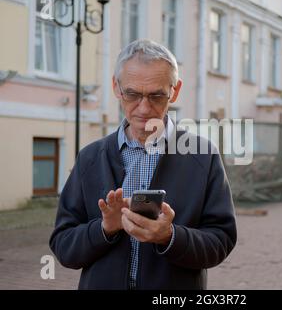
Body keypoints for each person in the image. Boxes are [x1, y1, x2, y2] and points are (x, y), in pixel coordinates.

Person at [49, 39, 237, 290]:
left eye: (157, 95)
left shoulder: (203, 156)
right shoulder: (89, 159)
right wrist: (105, 228)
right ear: (117, 88)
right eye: (133, 94)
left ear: (175, 90)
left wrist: (170, 237)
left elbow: (221, 241)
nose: (144, 108)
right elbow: (64, 246)